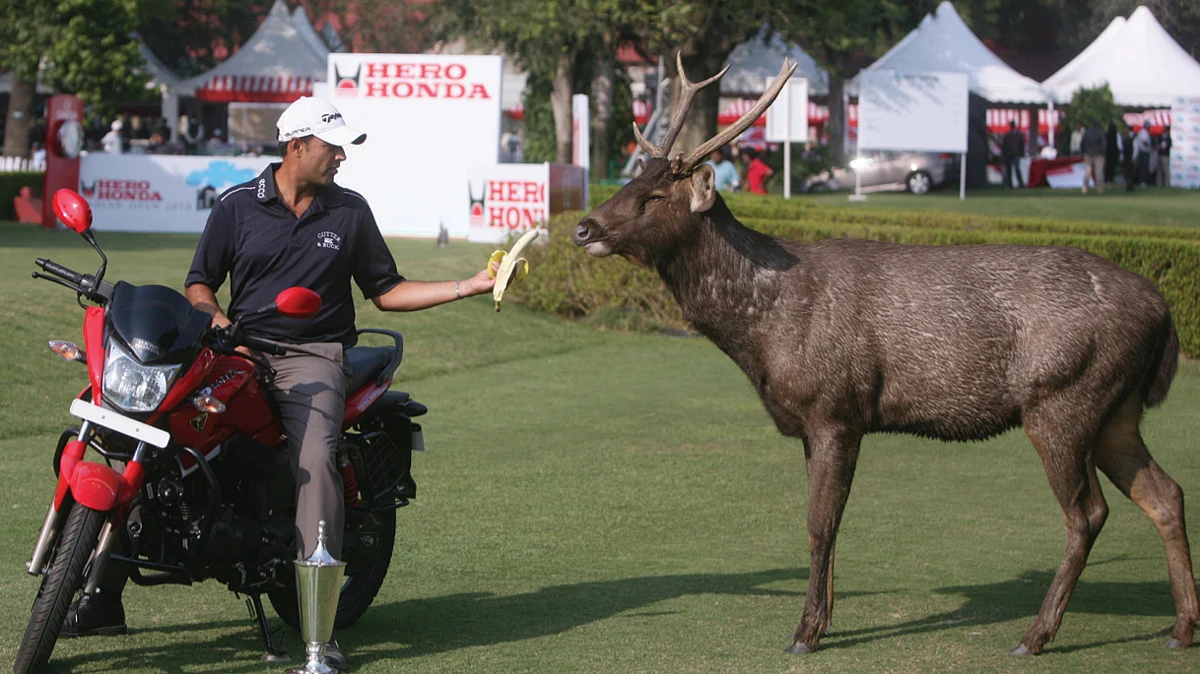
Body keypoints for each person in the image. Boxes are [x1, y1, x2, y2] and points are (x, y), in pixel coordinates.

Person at [60, 96, 498, 669]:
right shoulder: (237, 206)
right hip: (234, 351)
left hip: (312, 357)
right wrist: (218, 326)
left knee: (314, 460)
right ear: (298, 146)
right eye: (332, 145)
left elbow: (386, 290)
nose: (341, 156)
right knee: (154, 437)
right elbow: (200, 284)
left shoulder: (350, 211)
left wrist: (468, 284)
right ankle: (101, 597)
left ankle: (320, 642)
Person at [1080, 119, 1106, 194]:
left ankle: (1085, 187)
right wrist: (1103, 153)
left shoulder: (1087, 133)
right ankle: (1099, 188)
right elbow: (1104, 144)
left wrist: (1083, 151)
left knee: (1087, 171)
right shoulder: (1100, 132)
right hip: (1099, 154)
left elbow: (1082, 143)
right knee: (1099, 171)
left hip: (1088, 153)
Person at [1001, 121, 1025, 190]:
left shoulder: (1018, 135)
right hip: (1009, 154)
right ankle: (1010, 184)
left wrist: (1021, 153)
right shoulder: (1008, 135)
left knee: (1016, 169)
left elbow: (1021, 145)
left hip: (1016, 154)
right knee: (1009, 170)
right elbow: (1004, 146)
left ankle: (1020, 184)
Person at [1134, 120, 1153, 187]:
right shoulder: (1144, 132)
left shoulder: (1143, 132)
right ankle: (1143, 182)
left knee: (1143, 167)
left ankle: (1142, 181)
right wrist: (1149, 146)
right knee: (1144, 167)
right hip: (1144, 152)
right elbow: (1144, 141)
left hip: (1143, 152)